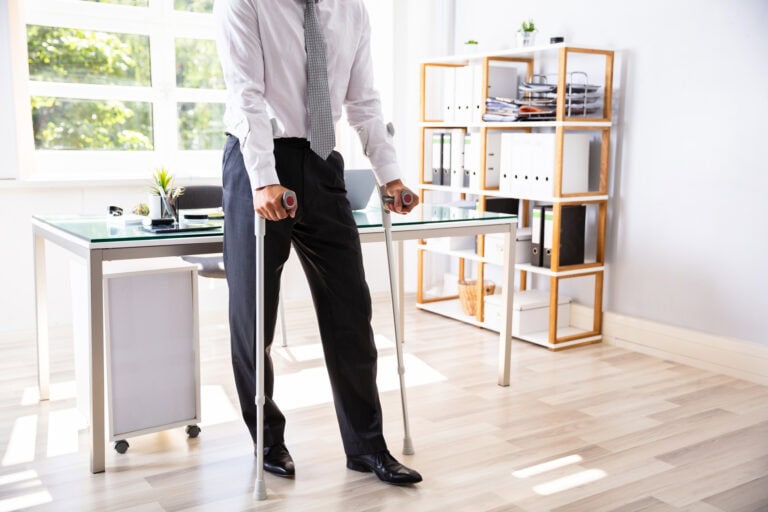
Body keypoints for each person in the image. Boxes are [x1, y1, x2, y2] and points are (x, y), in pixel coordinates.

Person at [213, 0, 422, 485]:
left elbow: (363, 99)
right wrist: (263, 179)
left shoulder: (351, 9)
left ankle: (367, 447)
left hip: (324, 162)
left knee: (351, 310)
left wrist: (389, 176)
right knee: (253, 317)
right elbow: (246, 93)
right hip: (256, 163)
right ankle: (268, 439)